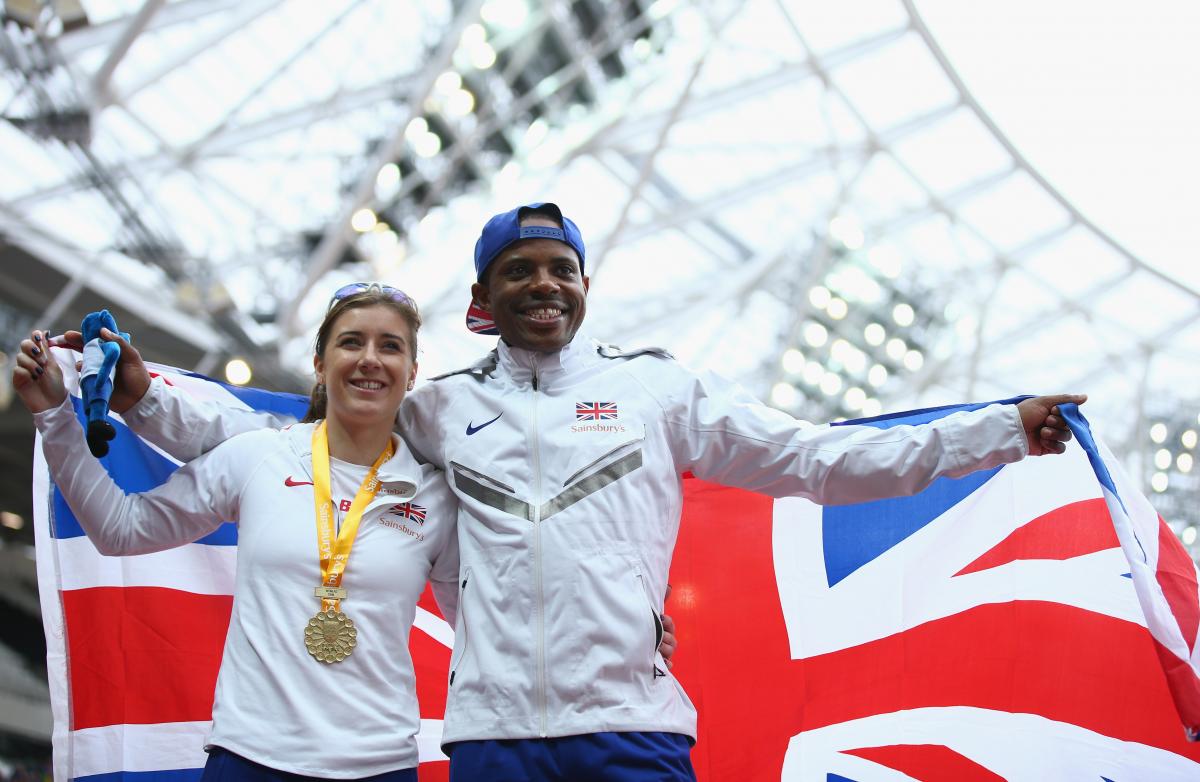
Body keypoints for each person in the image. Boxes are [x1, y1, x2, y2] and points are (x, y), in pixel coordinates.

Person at [55, 204, 1085, 782]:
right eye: (521, 271)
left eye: (563, 268)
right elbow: (284, 437)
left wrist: (1001, 430)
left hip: (633, 725)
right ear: (483, 302)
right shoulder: (436, 408)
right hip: (492, 736)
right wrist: (143, 395)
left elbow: (819, 461)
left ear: (586, 286)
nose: (546, 283)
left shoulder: (657, 391)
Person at [15, 286, 461, 781]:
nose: (370, 359)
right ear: (319, 363)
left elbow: (479, 630)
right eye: (351, 342)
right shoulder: (259, 456)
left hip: (381, 765)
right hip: (250, 758)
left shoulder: (436, 497)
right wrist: (55, 415)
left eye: (391, 346)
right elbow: (121, 529)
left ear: (413, 372)